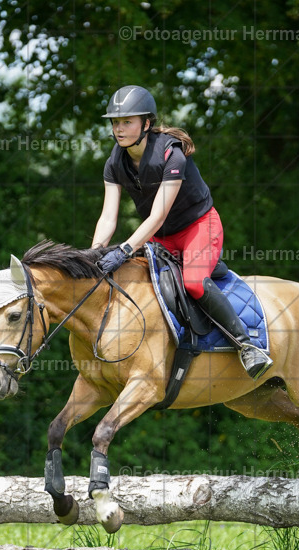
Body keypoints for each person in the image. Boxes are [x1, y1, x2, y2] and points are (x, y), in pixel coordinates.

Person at [92, 85, 273, 380]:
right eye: (115, 122)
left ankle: (247, 345)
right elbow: (108, 217)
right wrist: (94, 254)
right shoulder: (115, 162)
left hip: (199, 227)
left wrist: (124, 249)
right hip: (160, 237)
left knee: (193, 282)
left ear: (146, 124)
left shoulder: (171, 153)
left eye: (127, 122)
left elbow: (158, 214)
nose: (119, 129)